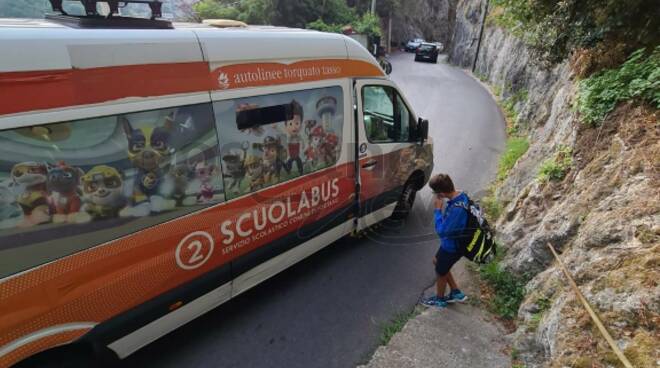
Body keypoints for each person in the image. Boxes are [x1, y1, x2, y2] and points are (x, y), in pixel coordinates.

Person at [422, 173, 468, 308]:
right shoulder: (461, 195)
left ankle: (440, 300)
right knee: (437, 261)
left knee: (441, 271)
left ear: (440, 193)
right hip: (456, 243)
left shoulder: (456, 209)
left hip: (452, 247)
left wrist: (437, 210)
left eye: (435, 192)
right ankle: (455, 292)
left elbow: (442, 232)